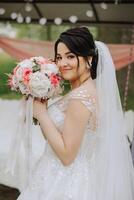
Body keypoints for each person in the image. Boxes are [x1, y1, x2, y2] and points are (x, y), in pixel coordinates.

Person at [16, 27, 134, 200]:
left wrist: (42, 115)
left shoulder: (81, 98)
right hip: (55, 174)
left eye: (70, 56)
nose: (62, 63)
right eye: (59, 57)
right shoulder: (83, 92)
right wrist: (43, 107)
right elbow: (54, 139)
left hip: (65, 182)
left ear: (89, 59)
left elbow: (67, 155)